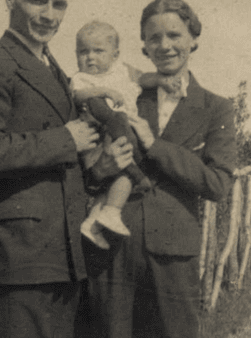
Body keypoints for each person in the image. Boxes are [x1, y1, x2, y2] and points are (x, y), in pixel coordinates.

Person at [0, 0, 132, 338]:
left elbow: (67, 168)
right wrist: (64, 139)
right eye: (38, 1)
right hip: (16, 261)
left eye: (59, 4)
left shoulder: (59, 74)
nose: (49, 15)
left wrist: (100, 168)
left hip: (66, 257)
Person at [85, 0, 236, 338]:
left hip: (173, 258)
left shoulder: (216, 108)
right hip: (112, 252)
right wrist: (99, 171)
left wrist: (155, 147)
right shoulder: (123, 98)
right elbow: (85, 172)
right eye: (154, 38)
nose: (164, 46)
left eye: (174, 35)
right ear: (143, 47)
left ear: (193, 39)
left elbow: (218, 185)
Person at [71, 20, 174, 249]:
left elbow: (142, 78)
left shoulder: (124, 72)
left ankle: (96, 219)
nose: (90, 58)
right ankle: (113, 208)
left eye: (98, 51)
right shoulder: (82, 78)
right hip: (101, 136)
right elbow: (78, 96)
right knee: (129, 168)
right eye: (83, 52)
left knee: (116, 179)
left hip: (120, 134)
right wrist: (103, 90)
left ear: (115, 54)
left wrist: (160, 79)